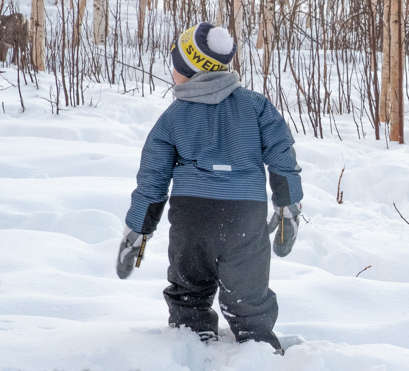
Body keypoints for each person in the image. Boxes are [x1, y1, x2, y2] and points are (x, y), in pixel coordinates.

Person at [116, 22, 303, 353]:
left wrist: (138, 232)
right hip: (244, 216)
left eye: (175, 63)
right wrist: (288, 205)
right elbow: (282, 157)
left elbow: (153, 180)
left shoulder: (173, 117)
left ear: (188, 70)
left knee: (189, 290)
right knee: (249, 295)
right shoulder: (257, 106)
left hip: (192, 219)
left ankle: (192, 343)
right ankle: (258, 347)